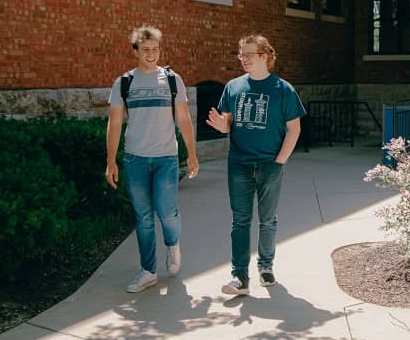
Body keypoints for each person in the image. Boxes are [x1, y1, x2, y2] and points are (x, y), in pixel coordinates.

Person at [205, 34, 305, 296]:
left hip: (270, 164)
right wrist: (221, 125)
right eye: (241, 54)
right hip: (239, 163)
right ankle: (240, 276)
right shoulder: (233, 87)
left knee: (268, 219)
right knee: (240, 220)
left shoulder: (283, 89)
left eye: (249, 54)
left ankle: (266, 267)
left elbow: (294, 128)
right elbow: (229, 122)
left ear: (264, 56)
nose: (244, 59)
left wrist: (280, 160)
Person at [106, 25, 199, 293]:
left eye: (155, 49)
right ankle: (148, 271)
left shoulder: (172, 80)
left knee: (167, 213)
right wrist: (111, 161)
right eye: (145, 50)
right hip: (135, 160)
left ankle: (172, 245)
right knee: (143, 217)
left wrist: (192, 154)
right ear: (135, 51)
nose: (151, 54)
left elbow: (183, 118)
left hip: (166, 159)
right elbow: (114, 124)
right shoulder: (124, 82)